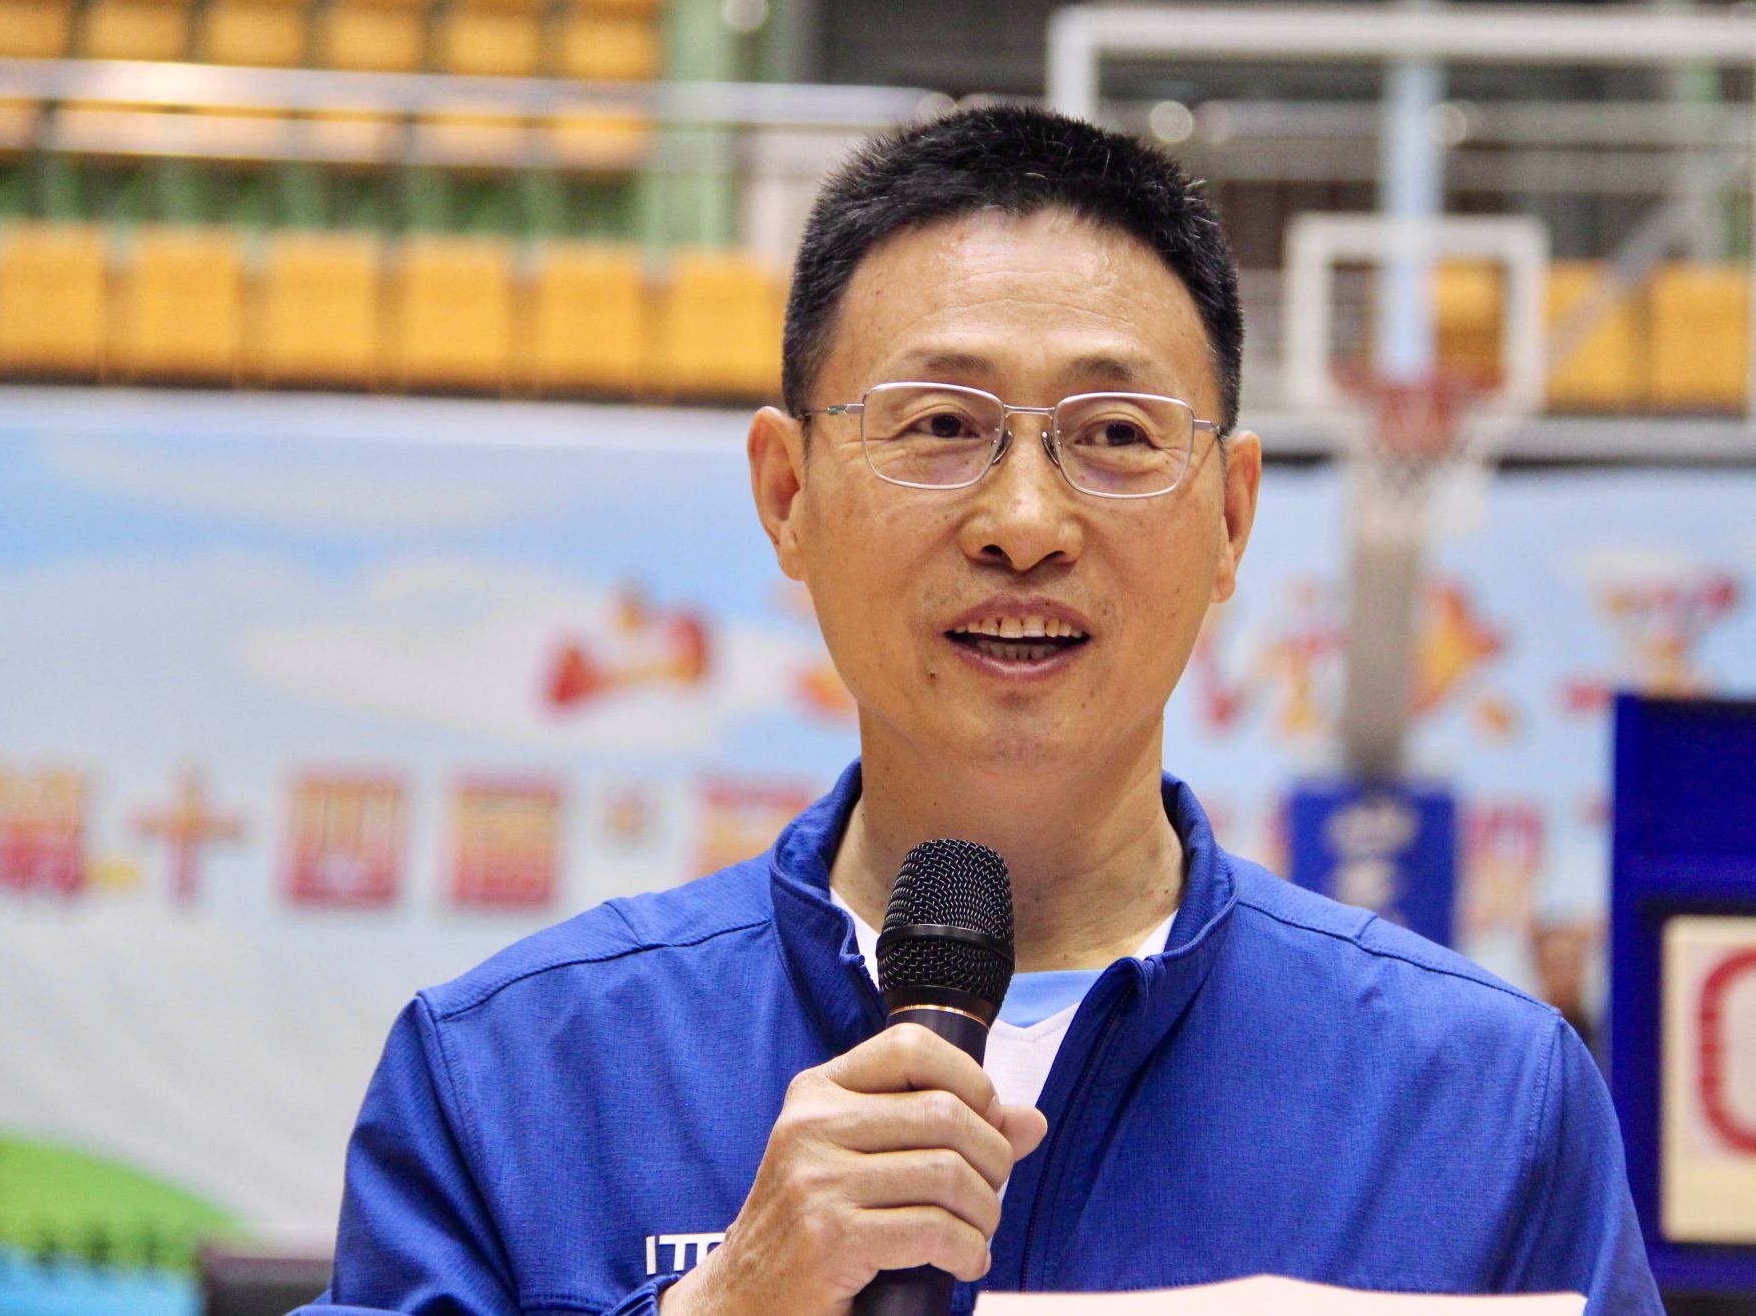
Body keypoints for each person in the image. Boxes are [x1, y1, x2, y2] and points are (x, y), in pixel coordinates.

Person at [298, 105, 1661, 1316]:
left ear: (1232, 517)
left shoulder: (1484, 1102)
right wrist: (723, 1307)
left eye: (1115, 434)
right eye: (943, 425)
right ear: (788, 493)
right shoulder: (510, 1073)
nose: (1024, 521)